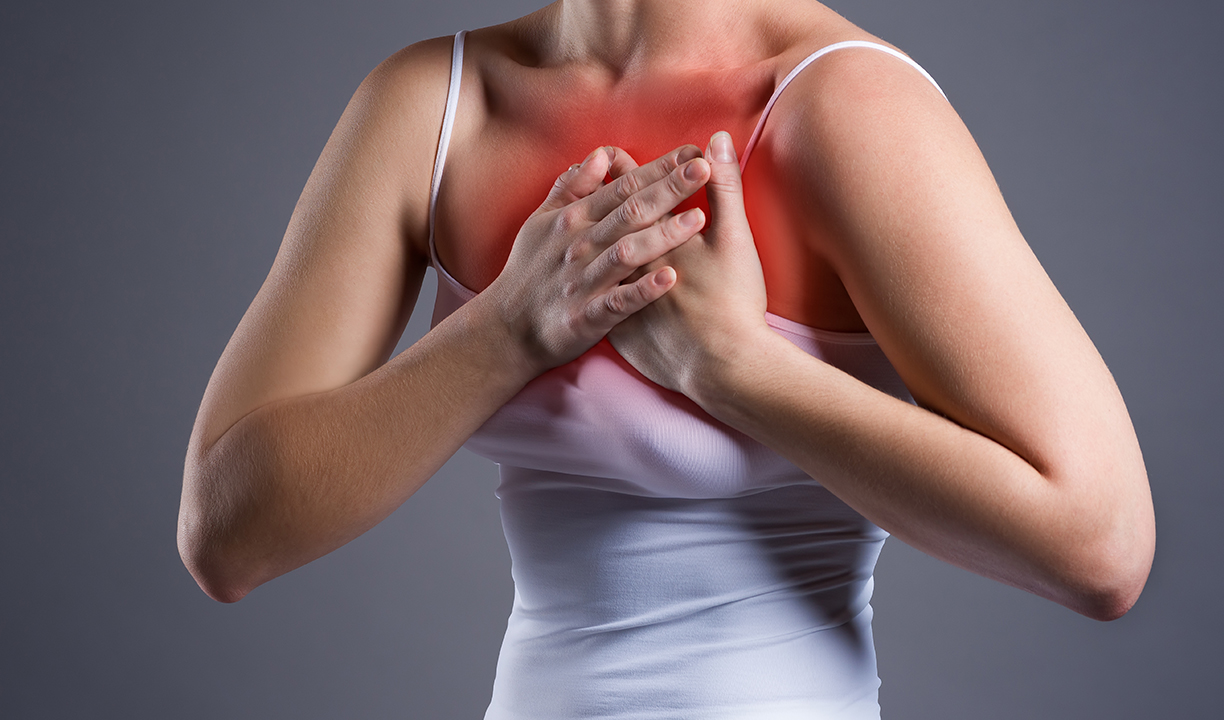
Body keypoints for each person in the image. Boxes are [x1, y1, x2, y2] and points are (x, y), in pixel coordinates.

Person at [177, 0, 1156, 716]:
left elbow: (1101, 548)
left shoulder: (844, 106)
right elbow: (226, 534)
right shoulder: (435, 103)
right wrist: (505, 331)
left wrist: (733, 367)